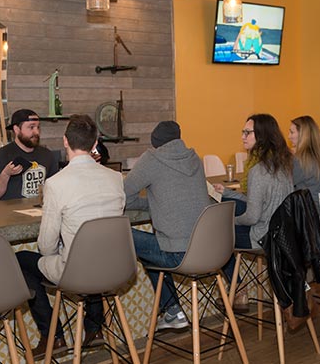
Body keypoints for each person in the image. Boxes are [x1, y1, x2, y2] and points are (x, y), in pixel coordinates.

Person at [15, 114, 125, 359]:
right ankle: (94, 329)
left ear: (65, 141)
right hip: (116, 268)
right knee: (95, 257)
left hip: (76, 273)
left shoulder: (56, 184)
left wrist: (62, 252)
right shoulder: (116, 179)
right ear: (95, 142)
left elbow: (45, 246)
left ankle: (52, 336)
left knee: (20, 259)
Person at [124, 121, 211, 330]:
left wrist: (150, 204)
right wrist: (158, 202)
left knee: (123, 234)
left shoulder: (151, 159)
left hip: (179, 255)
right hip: (208, 251)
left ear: (156, 142)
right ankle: (172, 310)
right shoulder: (195, 158)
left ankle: (172, 308)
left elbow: (123, 196)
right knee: (153, 248)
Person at [214, 114, 293, 308]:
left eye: (247, 132)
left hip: (261, 237)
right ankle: (239, 291)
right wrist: (229, 193)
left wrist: (230, 222)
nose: (243, 137)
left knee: (216, 237)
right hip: (281, 236)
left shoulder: (258, 171)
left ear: (262, 136)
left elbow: (251, 217)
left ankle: (239, 290)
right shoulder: (283, 165)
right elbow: (258, 202)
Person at [0, 109, 59, 201]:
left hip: (40, 211)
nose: (36, 132)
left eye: (38, 127)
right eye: (31, 127)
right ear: (17, 129)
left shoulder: (47, 154)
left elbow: (55, 189)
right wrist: (5, 174)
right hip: (10, 214)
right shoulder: (3, 154)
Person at [289, 115, 320, 212]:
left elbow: (288, 184)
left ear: (303, 134)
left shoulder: (301, 159)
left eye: (292, 132)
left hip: (311, 214)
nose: (289, 136)